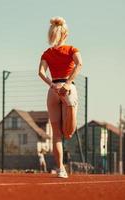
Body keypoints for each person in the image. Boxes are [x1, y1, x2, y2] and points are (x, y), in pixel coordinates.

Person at [38, 17, 83, 178]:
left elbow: (41, 73)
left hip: (53, 90)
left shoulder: (47, 53)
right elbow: (80, 64)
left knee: (56, 134)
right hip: (68, 89)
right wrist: (68, 84)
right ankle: (70, 107)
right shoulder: (72, 49)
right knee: (69, 133)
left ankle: (61, 169)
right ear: (65, 34)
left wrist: (52, 85)